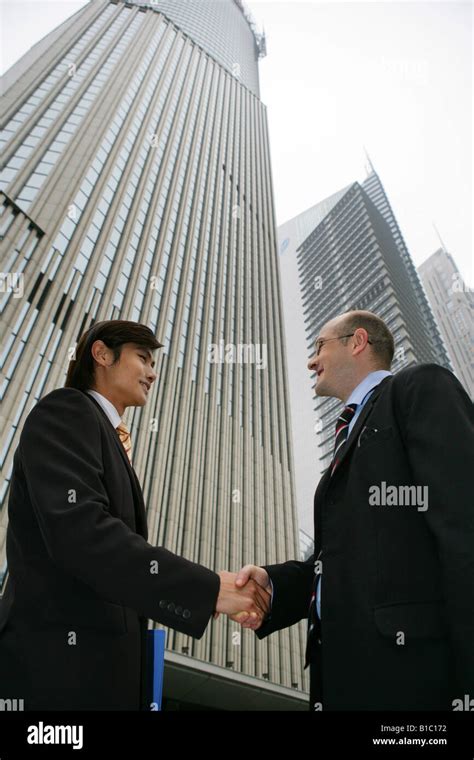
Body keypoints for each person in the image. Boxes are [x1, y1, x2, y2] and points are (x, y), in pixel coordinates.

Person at [0, 320, 269, 710]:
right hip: (56, 674)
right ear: (102, 354)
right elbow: (83, 536)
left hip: (100, 677)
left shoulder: (106, 434)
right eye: (142, 357)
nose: (153, 372)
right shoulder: (68, 410)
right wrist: (208, 589)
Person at [236, 310, 474, 710]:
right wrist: (274, 587)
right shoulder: (346, 438)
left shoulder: (418, 388)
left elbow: (464, 526)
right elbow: (339, 557)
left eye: (319, 347)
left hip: (414, 682)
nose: (312, 361)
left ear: (357, 342)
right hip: (344, 680)